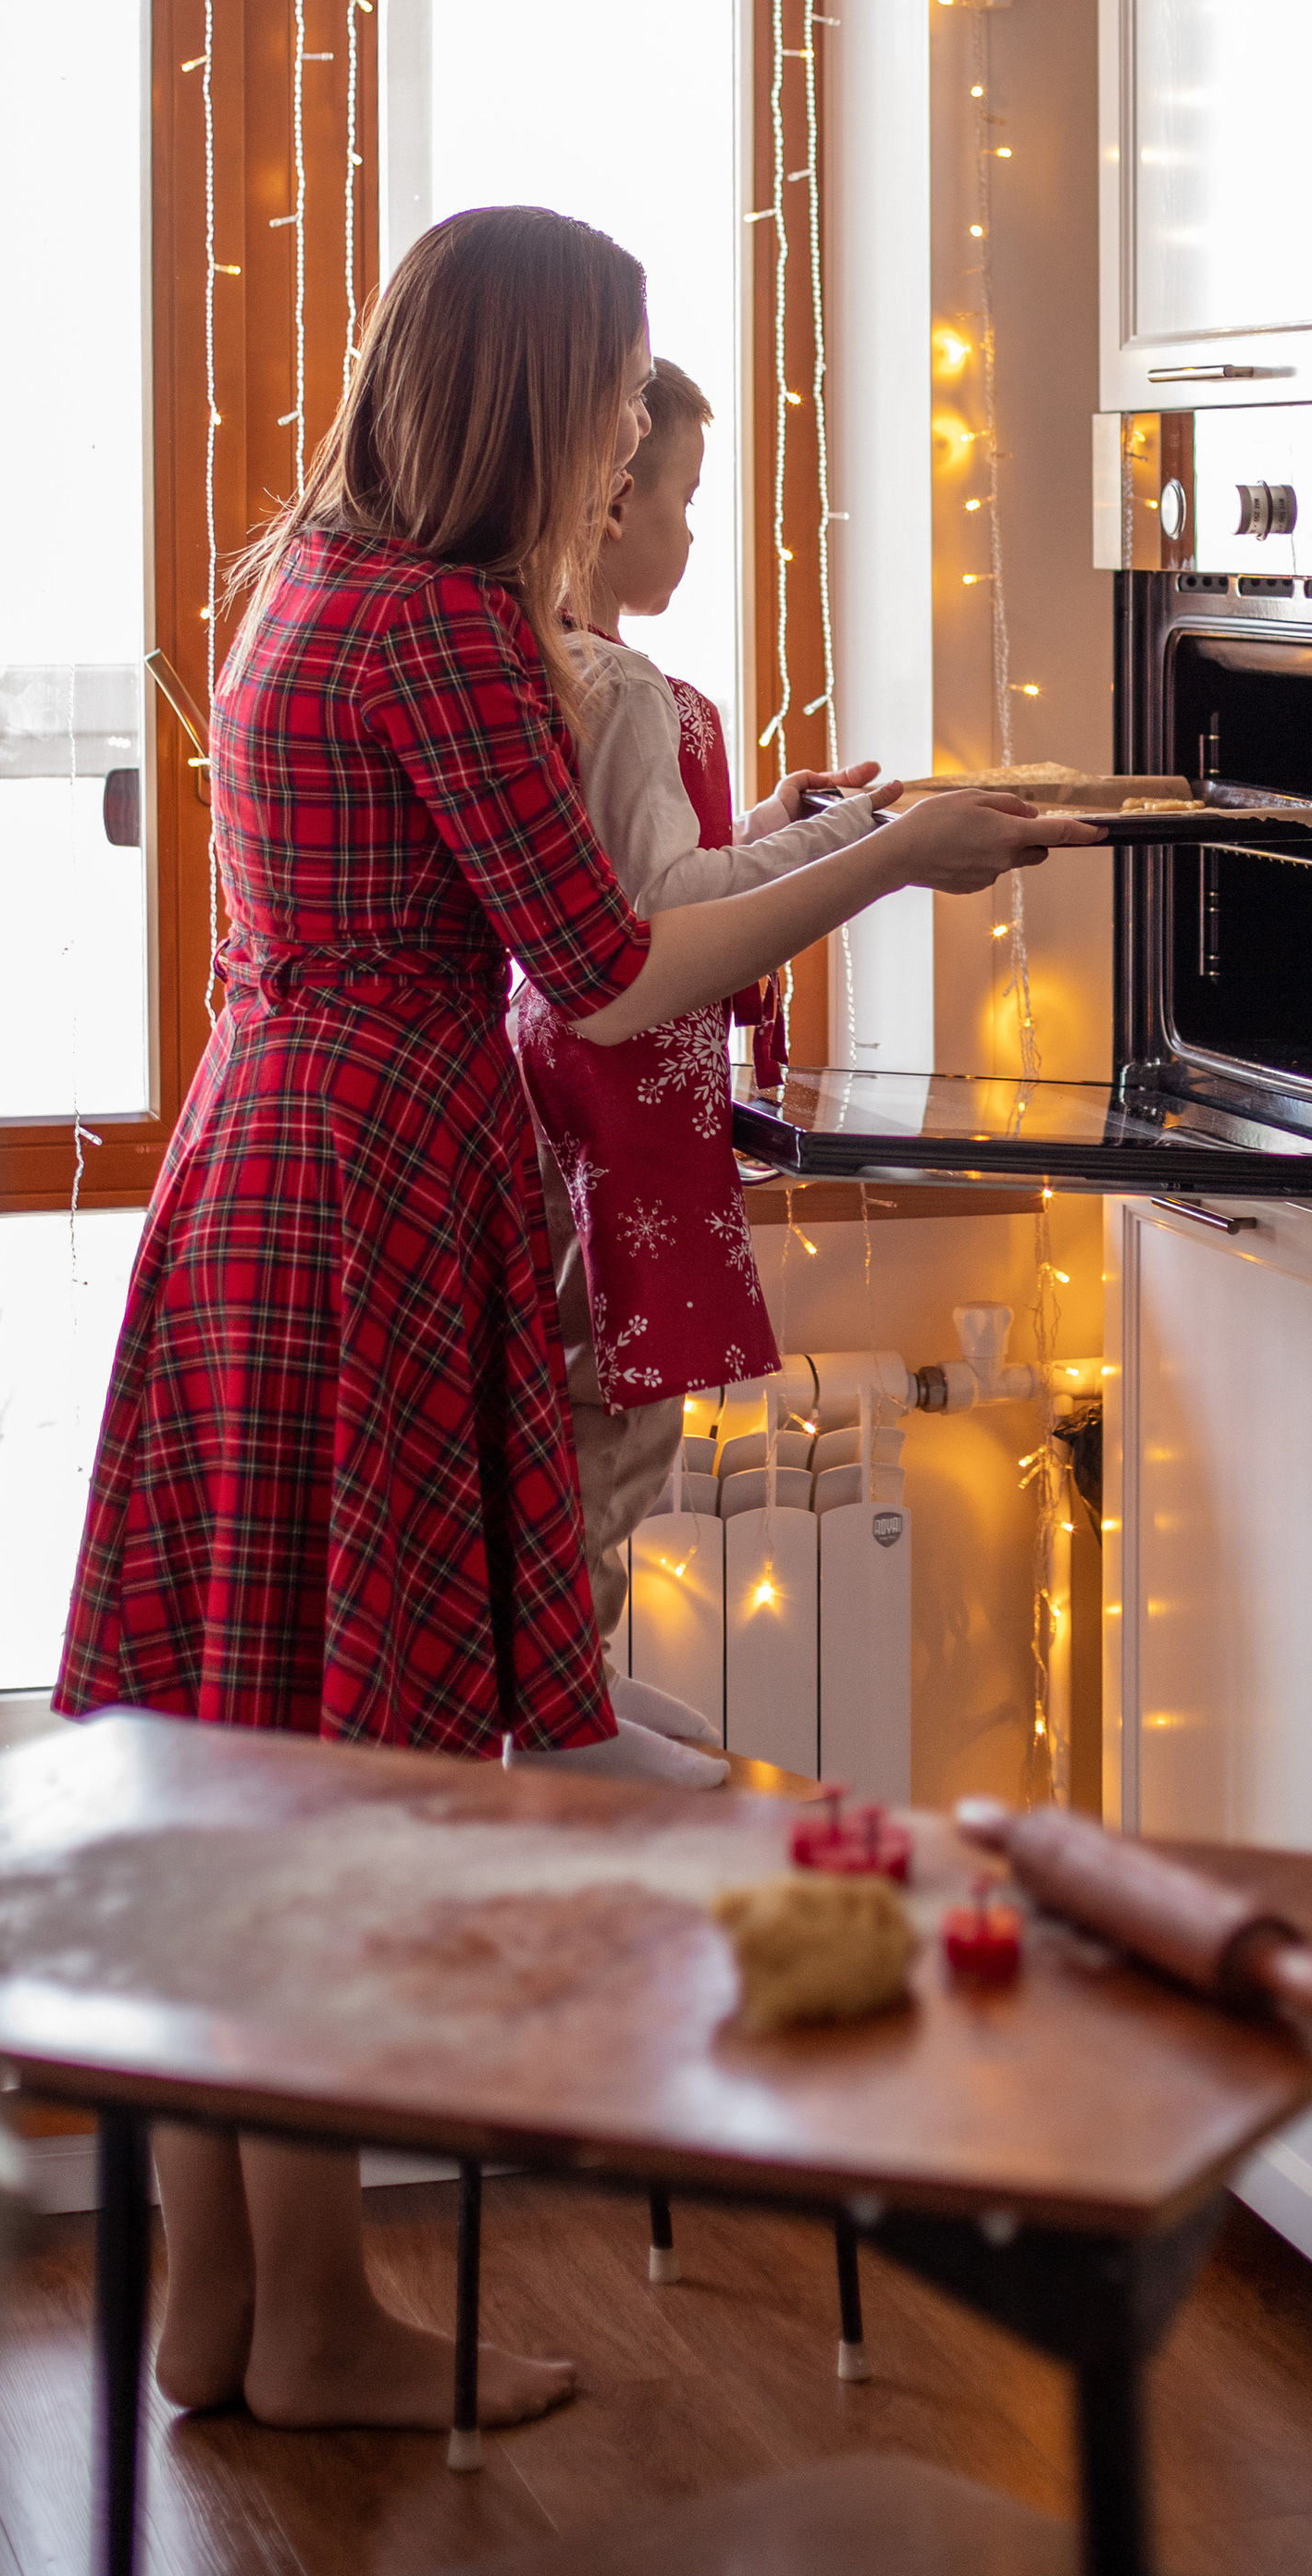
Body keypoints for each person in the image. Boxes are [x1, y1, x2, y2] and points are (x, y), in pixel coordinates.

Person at [52, 204, 1090, 2434]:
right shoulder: (437, 628)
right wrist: (897, 859)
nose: (630, 433)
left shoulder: (305, 585)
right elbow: (606, 969)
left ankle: (221, 2306)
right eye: (616, 397)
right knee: (359, 1795)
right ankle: (317, 2321)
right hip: (370, 1199)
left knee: (262, 1773)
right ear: (537, 394)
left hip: (268, 1161)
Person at [513, 358, 889, 1686]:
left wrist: (772, 829)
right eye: (683, 496)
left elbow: (631, 880)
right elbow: (661, 915)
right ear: (613, 504)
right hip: (620, 1128)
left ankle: (574, 1709)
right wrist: (857, 842)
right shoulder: (621, 691)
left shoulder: (560, 668)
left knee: (588, 1432)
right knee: (610, 1445)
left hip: (569, 1108)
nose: (690, 528)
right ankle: (573, 1718)